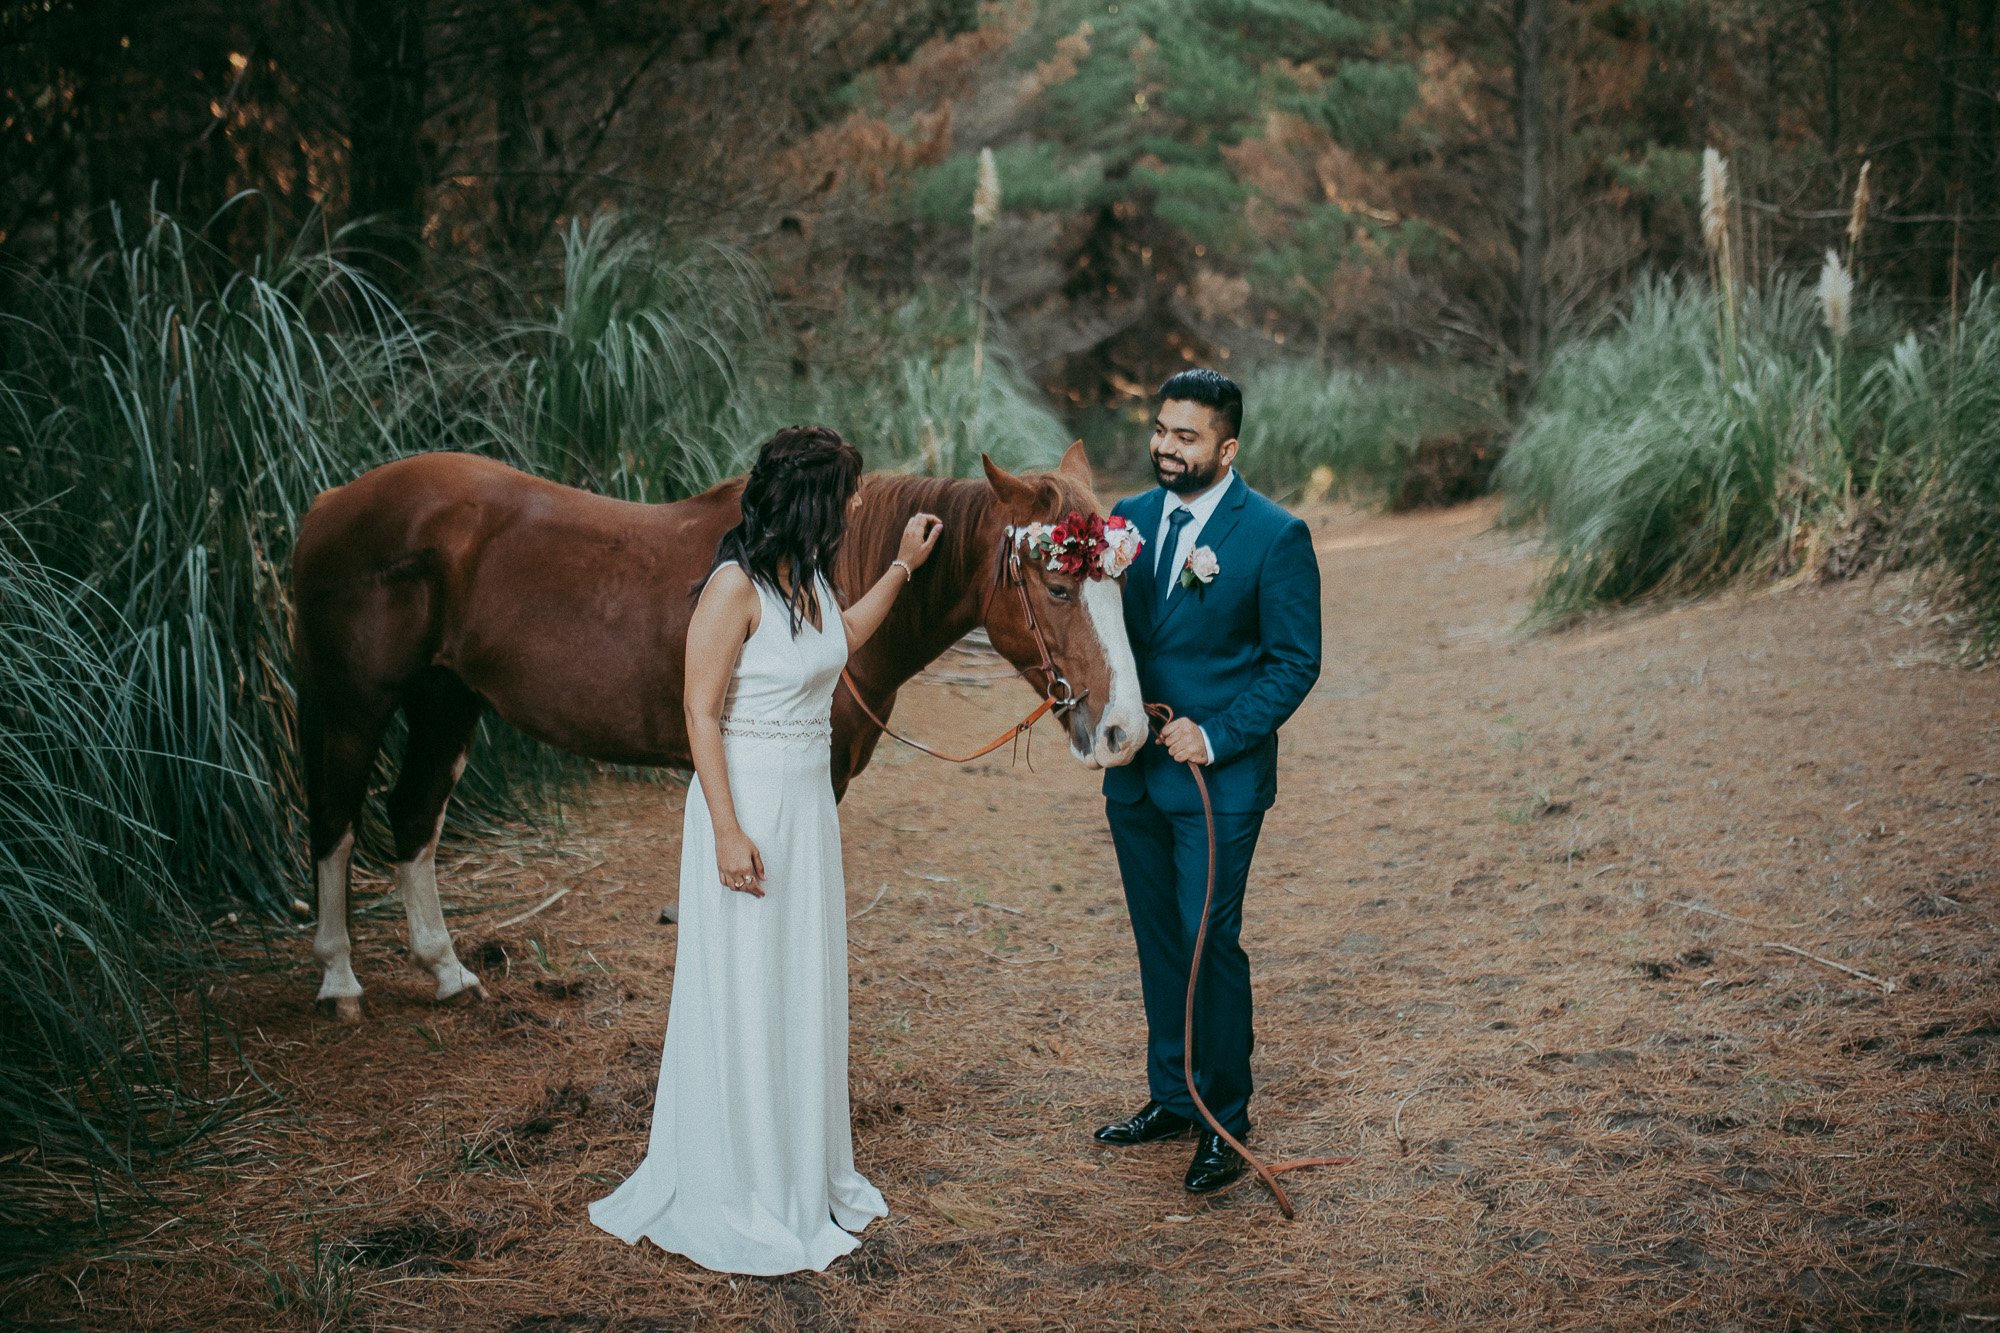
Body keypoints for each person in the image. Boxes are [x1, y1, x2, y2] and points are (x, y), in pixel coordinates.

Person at [589, 425, 943, 1274]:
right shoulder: (733, 588)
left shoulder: (809, 579)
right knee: (745, 985)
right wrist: (725, 827)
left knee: (798, 979)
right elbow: (699, 712)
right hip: (746, 804)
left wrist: (901, 566)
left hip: (806, 811)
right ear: (817, 501)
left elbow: (844, 637)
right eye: (850, 492)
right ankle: (737, 1177)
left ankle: (798, 1164)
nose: (860, 503)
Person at [1095, 369, 1323, 1193]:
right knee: (1159, 937)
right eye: (1160, 429)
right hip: (1133, 775)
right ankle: (1172, 1096)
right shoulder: (1124, 519)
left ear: (1227, 447)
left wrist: (1217, 733)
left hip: (1217, 783)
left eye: (1185, 436)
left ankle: (1225, 1115)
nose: (1165, 445)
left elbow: (1297, 662)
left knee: (1206, 940)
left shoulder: (1273, 535)